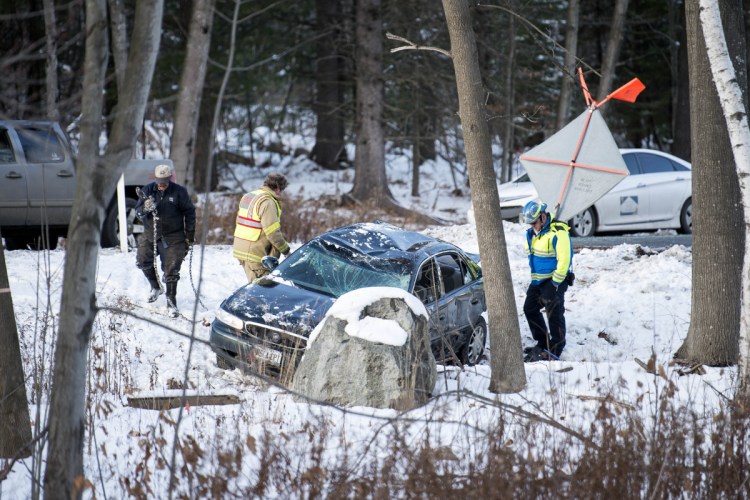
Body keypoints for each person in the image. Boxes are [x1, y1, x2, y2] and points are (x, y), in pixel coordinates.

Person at [134, 164, 196, 318]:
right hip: (151, 232)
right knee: (142, 260)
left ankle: (171, 302)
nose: (161, 183)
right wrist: (145, 209)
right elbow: (138, 212)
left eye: (164, 180)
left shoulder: (179, 192)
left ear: (169, 178)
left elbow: (190, 212)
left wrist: (189, 236)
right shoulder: (147, 190)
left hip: (174, 235)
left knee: (171, 269)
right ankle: (155, 287)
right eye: (159, 180)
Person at [520, 200, 574, 362]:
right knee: (530, 308)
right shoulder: (531, 234)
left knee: (554, 313)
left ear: (543, 217)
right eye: (530, 224)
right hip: (538, 281)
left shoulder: (559, 232)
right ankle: (543, 343)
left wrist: (555, 283)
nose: (533, 226)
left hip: (555, 280)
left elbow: (565, 260)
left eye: (534, 223)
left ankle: (555, 349)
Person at [233, 173, 291, 281]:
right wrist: (286, 250)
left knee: (253, 286)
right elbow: (272, 232)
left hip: (241, 249)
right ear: (278, 189)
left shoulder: (249, 196)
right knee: (260, 290)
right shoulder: (268, 202)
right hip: (255, 253)